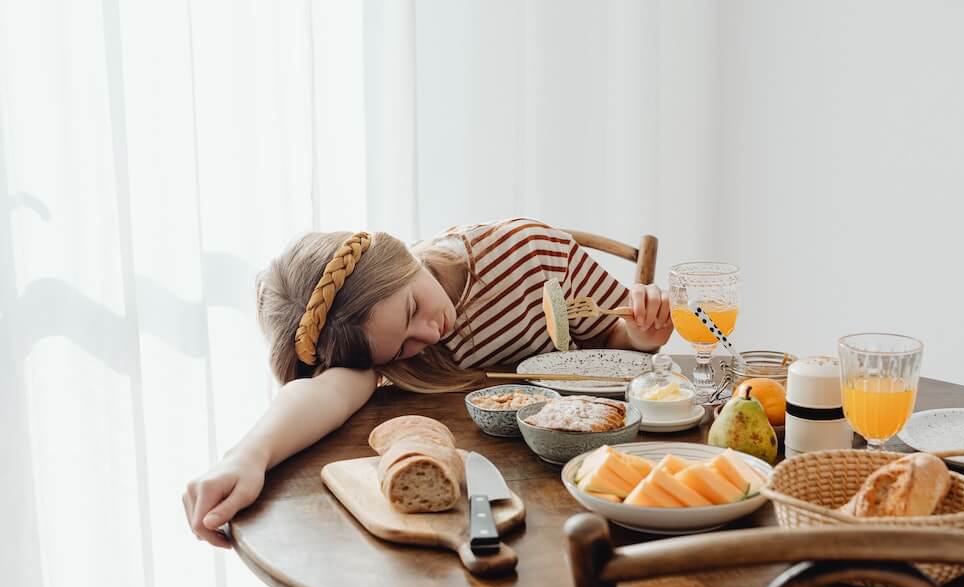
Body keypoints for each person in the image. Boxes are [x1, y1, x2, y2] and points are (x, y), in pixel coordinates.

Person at [182, 218, 672, 547]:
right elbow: (325, 393)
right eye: (400, 349)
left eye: (413, 308)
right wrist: (246, 456)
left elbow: (613, 336)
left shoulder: (530, 252)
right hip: (522, 506)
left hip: (599, 468)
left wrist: (640, 333)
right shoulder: (376, 353)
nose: (429, 334)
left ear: (402, 260)